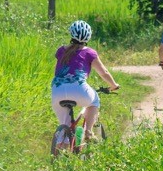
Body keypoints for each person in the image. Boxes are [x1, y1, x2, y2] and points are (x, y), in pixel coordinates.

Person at [51, 20, 120, 153]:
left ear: (71, 34)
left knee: (65, 125)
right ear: (88, 37)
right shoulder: (89, 53)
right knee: (94, 100)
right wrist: (113, 85)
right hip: (79, 89)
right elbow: (104, 73)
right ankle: (88, 131)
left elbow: (56, 71)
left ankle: (60, 151)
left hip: (57, 90)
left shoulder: (61, 51)